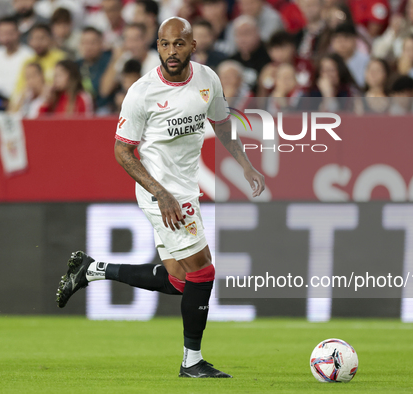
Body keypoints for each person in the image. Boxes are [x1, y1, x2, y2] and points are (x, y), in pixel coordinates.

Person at [55, 17, 265, 379]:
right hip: (160, 192)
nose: (171, 51)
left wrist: (246, 165)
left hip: (185, 188)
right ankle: (191, 361)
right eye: (164, 44)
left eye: (179, 44)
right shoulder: (141, 92)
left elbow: (222, 123)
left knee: (180, 282)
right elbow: (122, 152)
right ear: (157, 46)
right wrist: (161, 193)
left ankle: (92, 270)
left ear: (192, 46)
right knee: (204, 271)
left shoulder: (207, 79)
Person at [99, 23, 159, 99]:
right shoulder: (125, 58)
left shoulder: (156, 62)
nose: (131, 45)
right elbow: (104, 91)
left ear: (145, 39)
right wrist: (115, 59)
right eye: (128, 40)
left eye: (135, 40)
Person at [0, 17, 33, 100]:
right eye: (2, 34)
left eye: (10, 33)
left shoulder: (30, 56)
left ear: (18, 33)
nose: (6, 38)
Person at [13, 23, 66, 96]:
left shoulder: (60, 59)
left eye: (41, 38)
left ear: (51, 39)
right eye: (34, 38)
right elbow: (19, 89)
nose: (37, 43)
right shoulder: (28, 62)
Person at [257, 30, 313, 96]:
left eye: (283, 48)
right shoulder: (270, 69)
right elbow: (262, 100)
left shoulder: (303, 64)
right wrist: (262, 85)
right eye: (275, 49)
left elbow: (306, 91)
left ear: (292, 47)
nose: (279, 53)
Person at [230, 15, 271, 92]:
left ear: (257, 33)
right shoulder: (231, 61)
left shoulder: (269, 57)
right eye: (239, 34)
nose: (243, 38)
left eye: (247, 33)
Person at [76, 27, 112, 113]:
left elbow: (104, 91)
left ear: (101, 43)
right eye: (84, 43)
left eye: (92, 43)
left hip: (104, 109)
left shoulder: (109, 60)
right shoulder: (76, 65)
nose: (88, 47)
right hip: (82, 109)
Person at [330, 23, 370, 88]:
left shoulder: (367, 62)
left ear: (355, 40)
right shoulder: (329, 62)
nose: (342, 44)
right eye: (338, 40)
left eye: (346, 38)